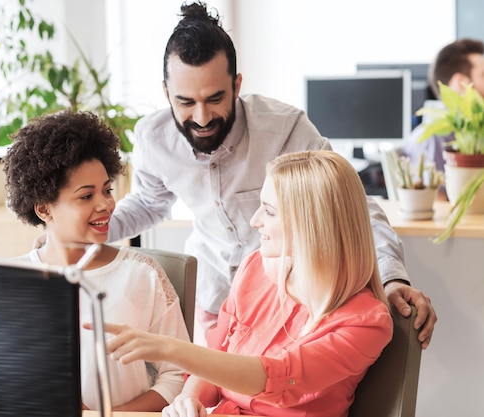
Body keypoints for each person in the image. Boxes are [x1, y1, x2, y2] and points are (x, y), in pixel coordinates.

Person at [106, 1, 436, 348]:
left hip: (285, 303)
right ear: (166, 93)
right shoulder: (153, 137)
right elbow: (147, 203)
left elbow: (351, 205)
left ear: (236, 85)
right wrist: (84, 229)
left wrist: (391, 277)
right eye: (185, 102)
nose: (202, 117)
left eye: (215, 98)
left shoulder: (284, 129)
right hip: (214, 299)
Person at [101, 150, 394, 417]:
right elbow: (219, 357)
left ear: (311, 224)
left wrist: (169, 349)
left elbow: (278, 378)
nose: (255, 221)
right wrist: (189, 400)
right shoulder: (257, 268)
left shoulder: (366, 323)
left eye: (268, 210)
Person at [3, 110, 190, 411]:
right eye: (86, 196)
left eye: (107, 190)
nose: (106, 204)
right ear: (44, 210)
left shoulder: (142, 275)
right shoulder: (12, 281)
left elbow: (178, 374)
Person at [402, 38, 484, 172]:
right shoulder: (435, 137)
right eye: (483, 75)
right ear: (461, 83)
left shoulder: (474, 130)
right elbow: (435, 193)